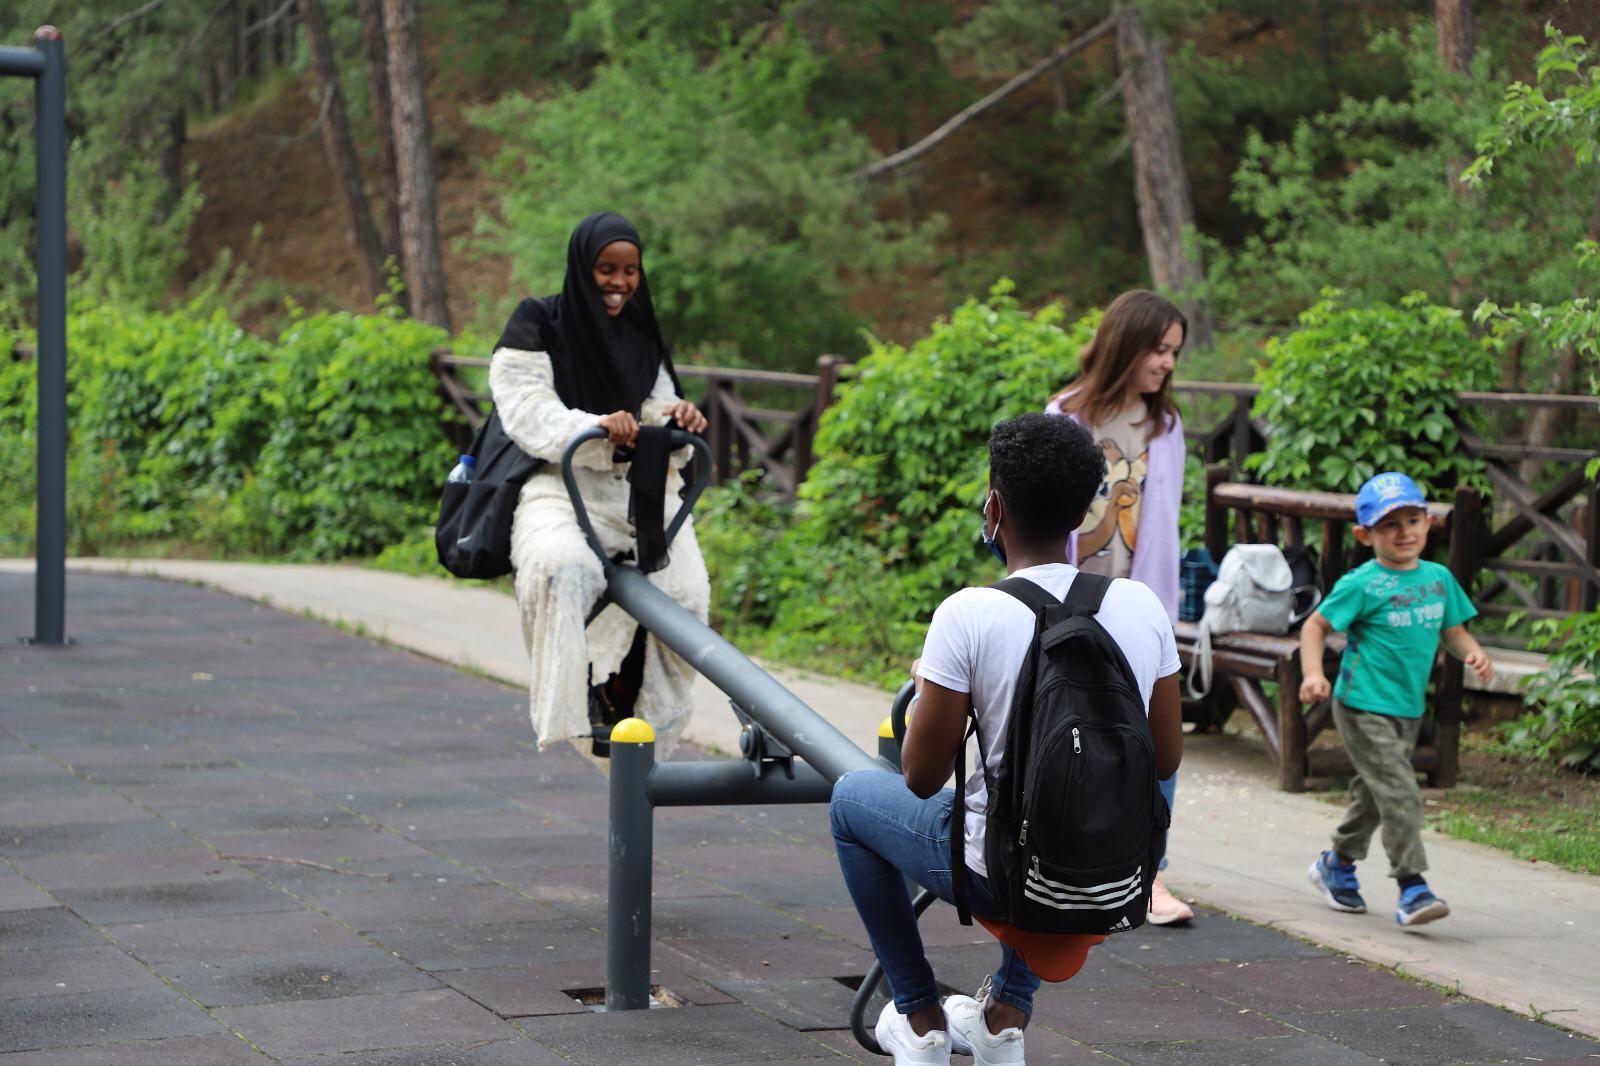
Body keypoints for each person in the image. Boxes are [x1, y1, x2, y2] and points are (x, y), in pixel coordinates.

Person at [830, 413, 1183, 1066]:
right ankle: (1004, 1019)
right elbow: (1166, 759)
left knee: (851, 800)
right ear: (1084, 512)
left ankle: (920, 1017)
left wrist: (939, 688)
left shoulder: (969, 612)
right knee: (1049, 814)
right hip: (1115, 878)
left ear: (994, 508)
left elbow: (920, 777)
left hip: (998, 879)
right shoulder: (1141, 606)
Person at [489, 211, 710, 760]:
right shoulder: (537, 323)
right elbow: (526, 407)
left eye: (630, 271)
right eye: (606, 269)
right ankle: (576, 702)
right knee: (561, 568)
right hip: (559, 486)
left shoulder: (640, 334)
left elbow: (656, 403)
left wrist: (677, 415)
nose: (619, 282)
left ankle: (642, 714)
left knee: (686, 595)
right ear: (582, 266)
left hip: (635, 490)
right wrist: (594, 426)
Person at [1045, 289, 1193, 925]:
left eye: (1174, 352)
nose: (1167, 364)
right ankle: (1065, 859)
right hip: (1065, 604)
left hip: (1139, 606)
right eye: (1158, 349)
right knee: (1063, 728)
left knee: (1155, 734)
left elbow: (1166, 524)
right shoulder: (1065, 417)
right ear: (1125, 343)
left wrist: (1163, 613)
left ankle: (1150, 875)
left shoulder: (1165, 427)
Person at [1300, 471, 1494, 928]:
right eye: (1389, 524)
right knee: (1401, 790)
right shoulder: (1363, 583)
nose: (1404, 532)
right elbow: (1315, 626)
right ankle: (1412, 886)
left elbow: (1453, 631)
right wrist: (1313, 674)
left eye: (1412, 520)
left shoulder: (1438, 579)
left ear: (1429, 523)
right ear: (1364, 535)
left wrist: (1473, 653)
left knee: (1376, 793)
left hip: (1406, 708)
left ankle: (1336, 865)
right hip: (1362, 705)